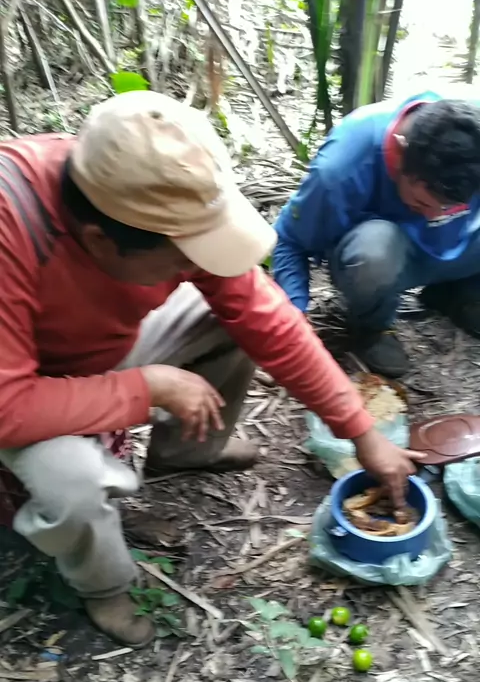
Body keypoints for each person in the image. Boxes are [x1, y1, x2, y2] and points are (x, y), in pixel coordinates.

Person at [0, 91, 422, 647]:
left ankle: (188, 450)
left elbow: (266, 318)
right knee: (72, 481)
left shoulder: (148, 193)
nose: (198, 268)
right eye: (183, 259)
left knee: (236, 319)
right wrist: (146, 387)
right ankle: (103, 585)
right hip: (24, 388)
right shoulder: (14, 229)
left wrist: (361, 432)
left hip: (99, 347)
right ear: (100, 242)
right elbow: (8, 408)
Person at [272, 91, 480, 378]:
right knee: (374, 251)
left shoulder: (473, 134)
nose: (435, 216)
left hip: (460, 248)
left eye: (449, 207)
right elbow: (288, 241)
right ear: (400, 153)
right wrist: (295, 312)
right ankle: (374, 326)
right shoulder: (342, 168)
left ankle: (460, 293)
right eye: (421, 203)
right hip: (389, 260)